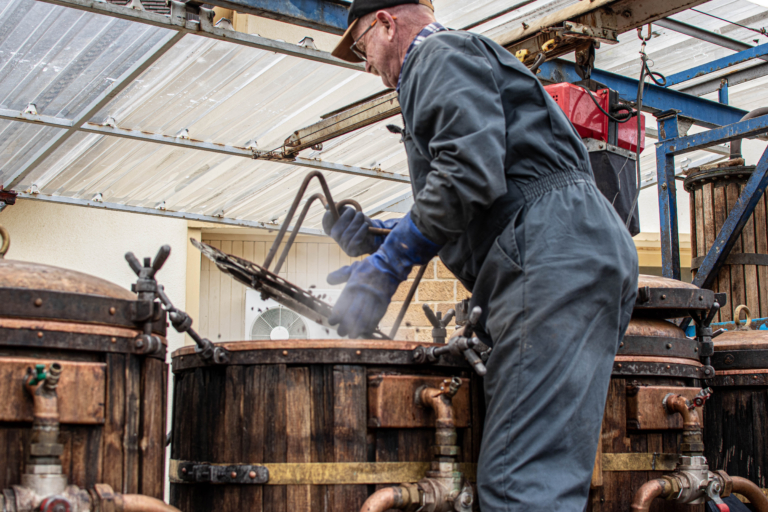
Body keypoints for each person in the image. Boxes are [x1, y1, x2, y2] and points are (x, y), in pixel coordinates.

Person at [322, 0, 639, 510]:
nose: (366, 65)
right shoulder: (456, 61)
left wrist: (389, 265)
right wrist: (379, 237)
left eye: (361, 47)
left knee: (521, 485)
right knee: (536, 465)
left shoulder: (436, 54)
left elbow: (469, 173)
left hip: (550, 255)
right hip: (565, 248)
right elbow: (490, 191)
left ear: (385, 24)